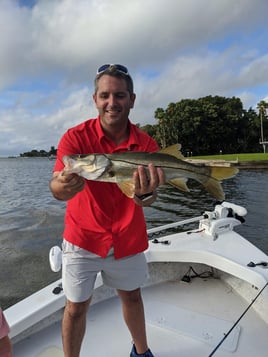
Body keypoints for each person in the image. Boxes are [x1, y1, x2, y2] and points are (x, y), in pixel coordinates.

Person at [50, 64, 165, 357]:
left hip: (127, 236)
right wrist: (65, 186)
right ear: (95, 99)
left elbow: (146, 201)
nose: (112, 103)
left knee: (132, 297)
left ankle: (142, 352)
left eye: (120, 95)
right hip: (83, 238)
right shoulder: (74, 139)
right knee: (75, 308)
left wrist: (145, 192)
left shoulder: (146, 144)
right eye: (105, 95)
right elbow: (56, 188)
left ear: (132, 99)